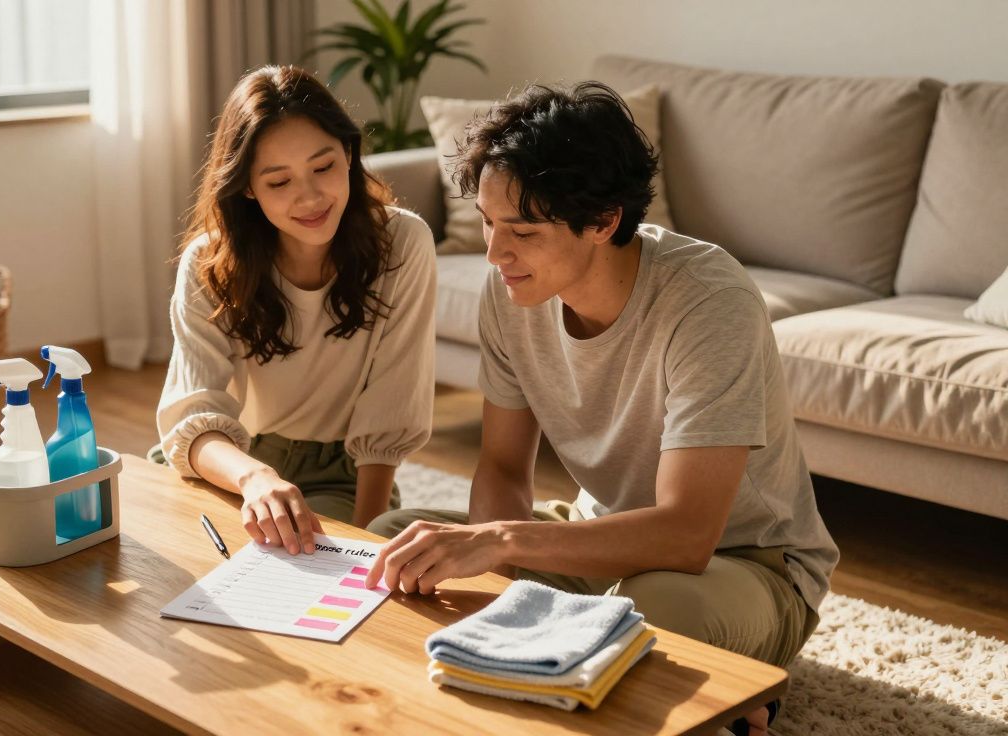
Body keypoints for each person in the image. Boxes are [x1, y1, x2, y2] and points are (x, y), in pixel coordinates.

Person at [364, 83, 837, 735]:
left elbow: (686, 534)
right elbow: (503, 469)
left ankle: (727, 698)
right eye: (490, 224)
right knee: (399, 542)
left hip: (743, 563)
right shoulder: (511, 292)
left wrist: (501, 544)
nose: (496, 254)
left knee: (652, 606)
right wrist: (501, 591)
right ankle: (598, 671)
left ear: (605, 220)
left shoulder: (709, 302)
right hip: (599, 534)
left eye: (522, 231)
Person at [155, 65, 437, 558]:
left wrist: (366, 544)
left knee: (305, 568)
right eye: (279, 181)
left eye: (324, 167)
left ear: (348, 154)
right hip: (229, 461)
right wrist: (255, 476)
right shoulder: (208, 262)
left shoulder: (404, 244)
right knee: (171, 560)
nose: (309, 197)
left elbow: (391, 408)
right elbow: (195, 415)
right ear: (247, 187)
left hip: (338, 472)